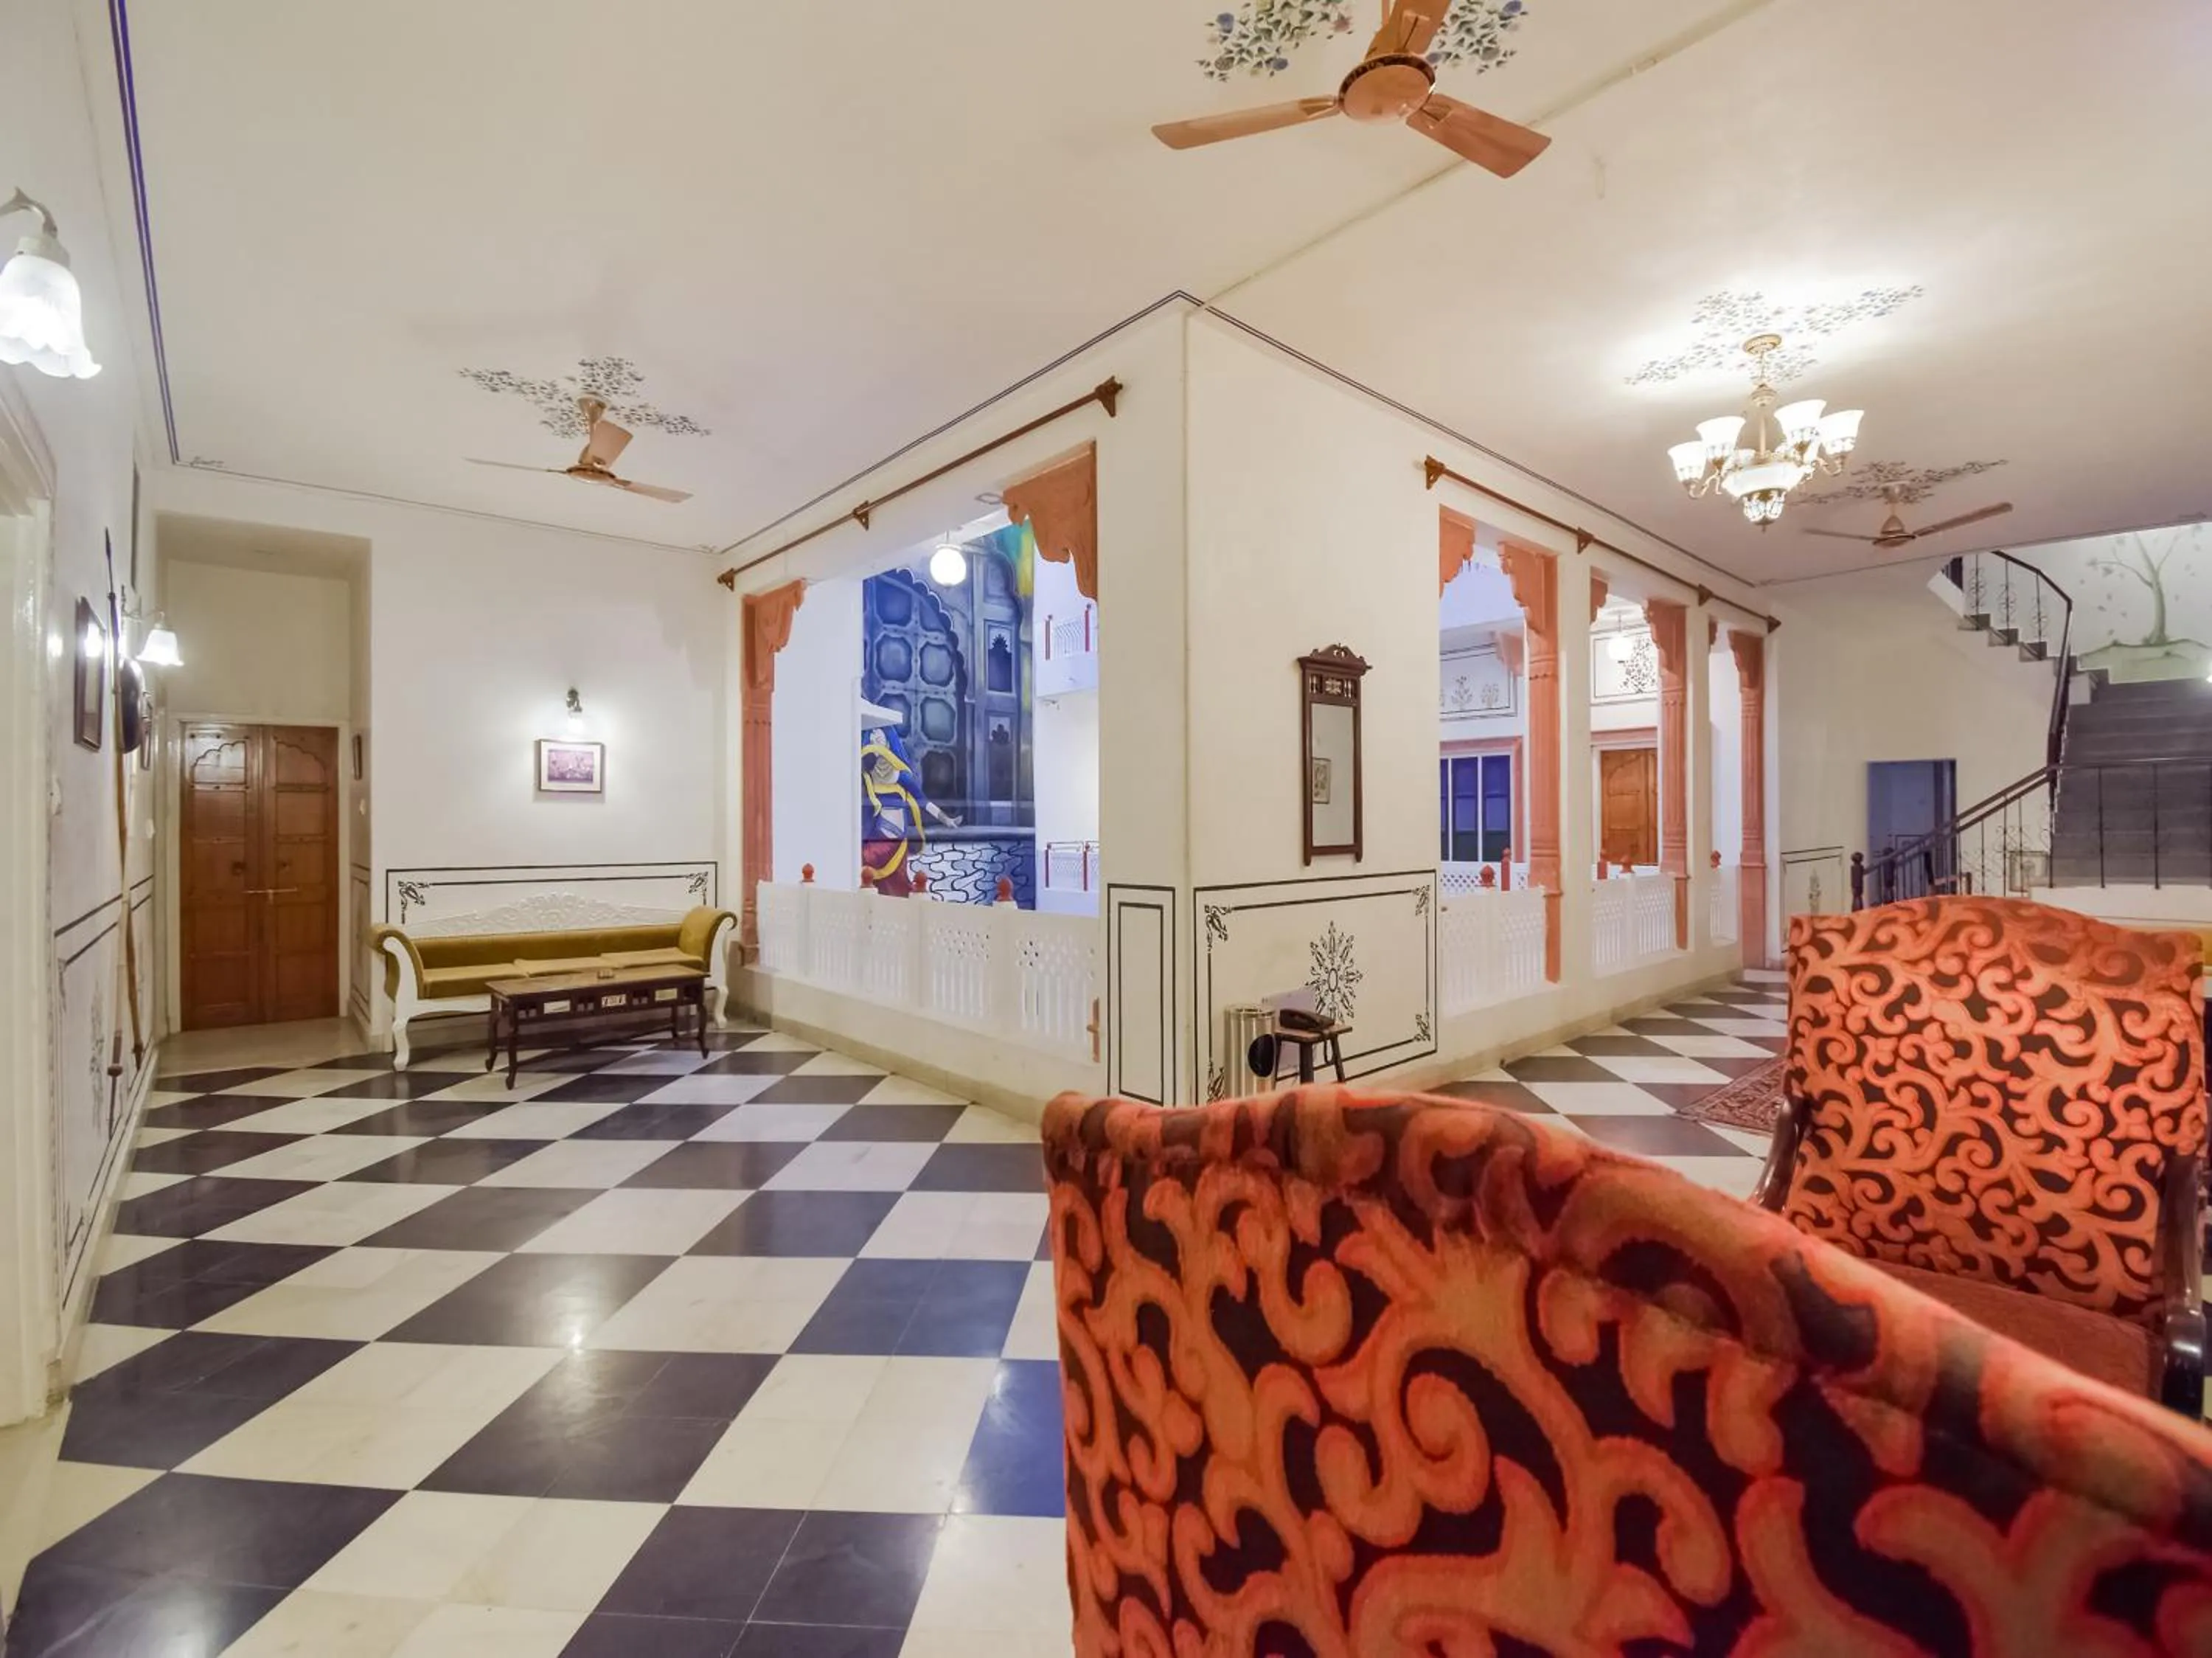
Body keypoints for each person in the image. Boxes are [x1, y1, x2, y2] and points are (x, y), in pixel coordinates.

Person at [860, 722, 959, 893]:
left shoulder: (900, 774)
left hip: (894, 833)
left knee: (874, 862)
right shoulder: (866, 775)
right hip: (874, 830)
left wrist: (945, 819)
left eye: (880, 737)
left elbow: (922, 801)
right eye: (873, 737)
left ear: (889, 742)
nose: (876, 741)